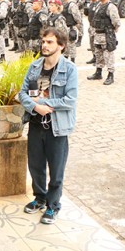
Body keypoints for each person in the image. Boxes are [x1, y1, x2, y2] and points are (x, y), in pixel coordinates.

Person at [19, 27, 78, 224]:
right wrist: (35, 107)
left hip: (57, 127)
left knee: (56, 169)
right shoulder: (35, 67)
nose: (44, 45)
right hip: (36, 124)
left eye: (50, 42)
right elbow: (22, 93)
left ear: (61, 45)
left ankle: (53, 206)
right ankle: (40, 198)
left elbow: (70, 100)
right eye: (43, 41)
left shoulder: (69, 69)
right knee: (35, 166)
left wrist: (43, 105)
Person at [87, 0, 120, 85]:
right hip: (98, 34)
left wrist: (111, 31)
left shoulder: (111, 7)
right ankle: (98, 72)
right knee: (98, 54)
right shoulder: (99, 5)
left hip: (106, 34)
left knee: (108, 55)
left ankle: (110, 75)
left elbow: (116, 22)